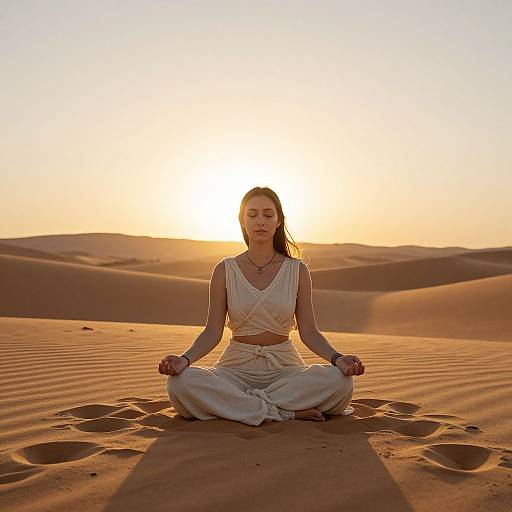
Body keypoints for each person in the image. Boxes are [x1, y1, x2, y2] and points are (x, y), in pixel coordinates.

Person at [158, 186, 365, 426]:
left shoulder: (297, 270)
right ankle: (284, 411)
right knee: (179, 384)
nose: (260, 221)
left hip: (285, 370)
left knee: (340, 382)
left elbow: (309, 331)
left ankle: (242, 406)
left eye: (268, 215)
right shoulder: (225, 270)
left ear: (278, 221)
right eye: (252, 214)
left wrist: (338, 359)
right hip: (234, 369)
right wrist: (184, 360)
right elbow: (212, 332)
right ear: (242, 221)